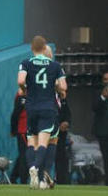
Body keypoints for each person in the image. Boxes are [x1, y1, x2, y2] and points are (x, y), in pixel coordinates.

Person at [17, 35, 67, 190]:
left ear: (32, 48)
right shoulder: (55, 66)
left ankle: (36, 170)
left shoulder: (26, 63)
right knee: (48, 142)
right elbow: (63, 86)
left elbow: (20, 82)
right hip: (48, 108)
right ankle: (38, 170)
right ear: (45, 48)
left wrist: (25, 90)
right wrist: (58, 90)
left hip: (31, 107)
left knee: (32, 141)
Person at [9, 89, 28, 184]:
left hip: (31, 129)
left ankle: (13, 177)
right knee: (25, 156)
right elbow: (16, 113)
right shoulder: (22, 93)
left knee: (23, 155)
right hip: (23, 129)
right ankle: (23, 181)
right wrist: (13, 129)